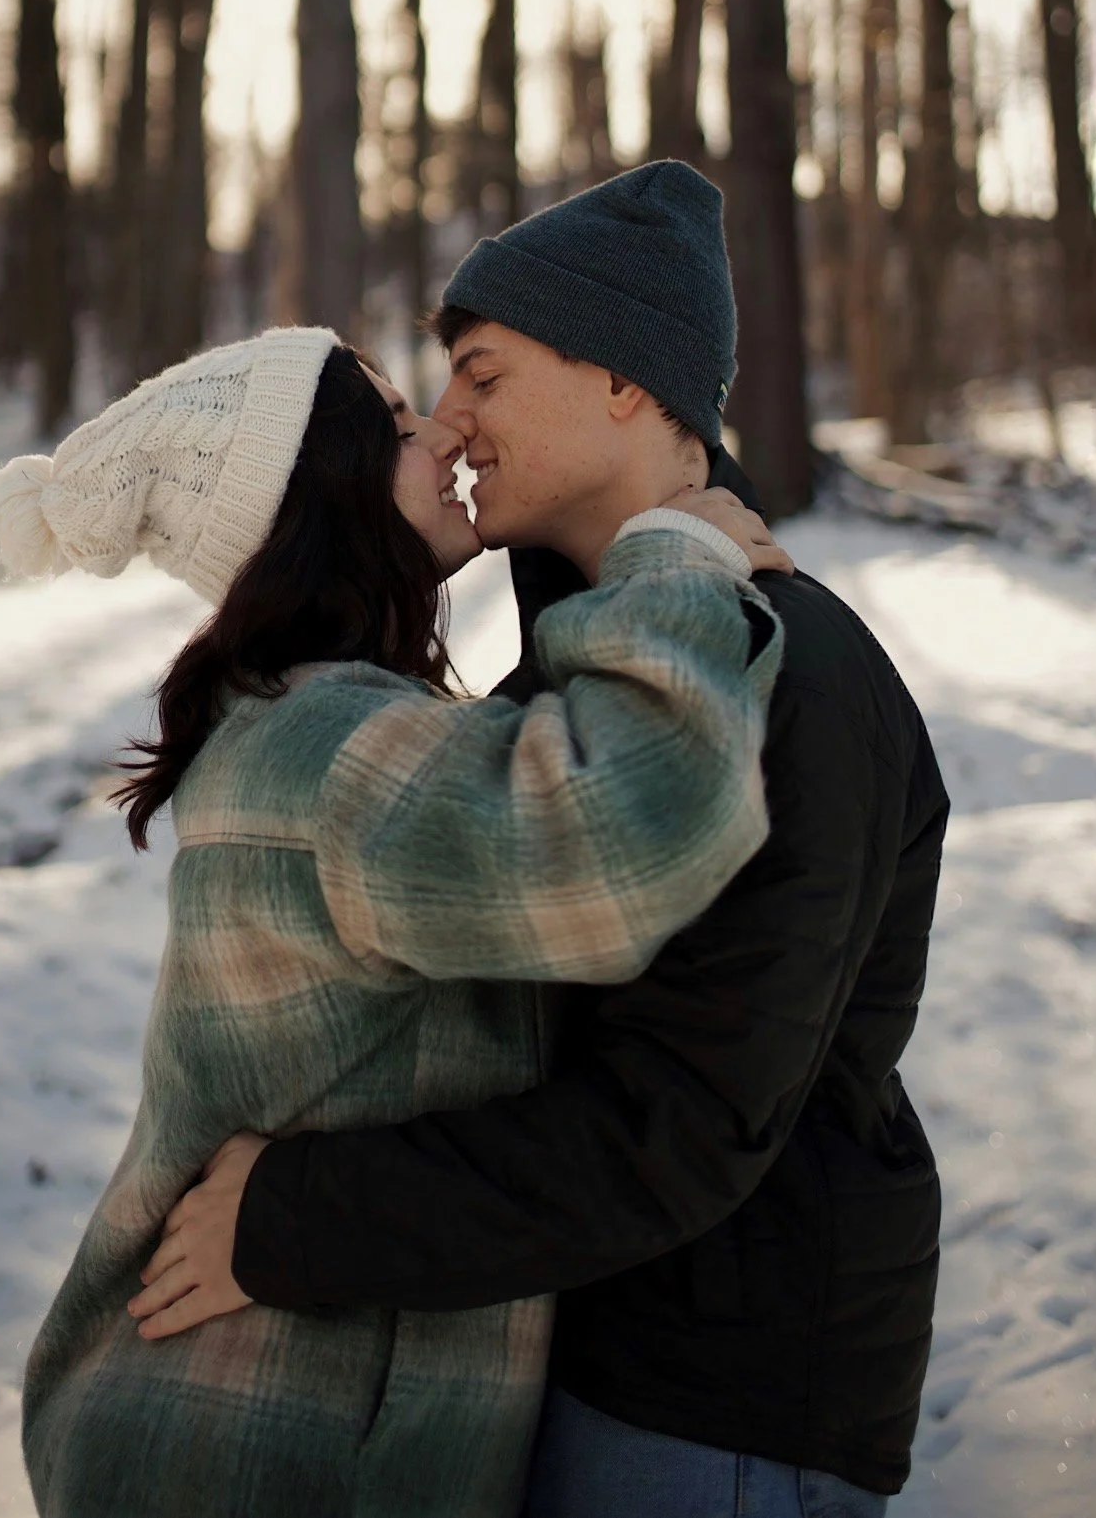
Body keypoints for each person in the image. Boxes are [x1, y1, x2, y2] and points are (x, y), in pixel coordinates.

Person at [132, 164, 951, 1518]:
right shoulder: (574, 684)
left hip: (712, 1401)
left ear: (624, 380)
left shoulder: (781, 667)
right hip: (593, 1362)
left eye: (482, 375)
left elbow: (677, 1127)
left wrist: (294, 1221)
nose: (449, 421)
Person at [0, 318, 792, 1518]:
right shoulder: (328, 747)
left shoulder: (314, 722)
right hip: (237, 1457)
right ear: (326, 491)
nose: (447, 429)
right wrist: (672, 558)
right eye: (403, 425)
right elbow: (634, 827)